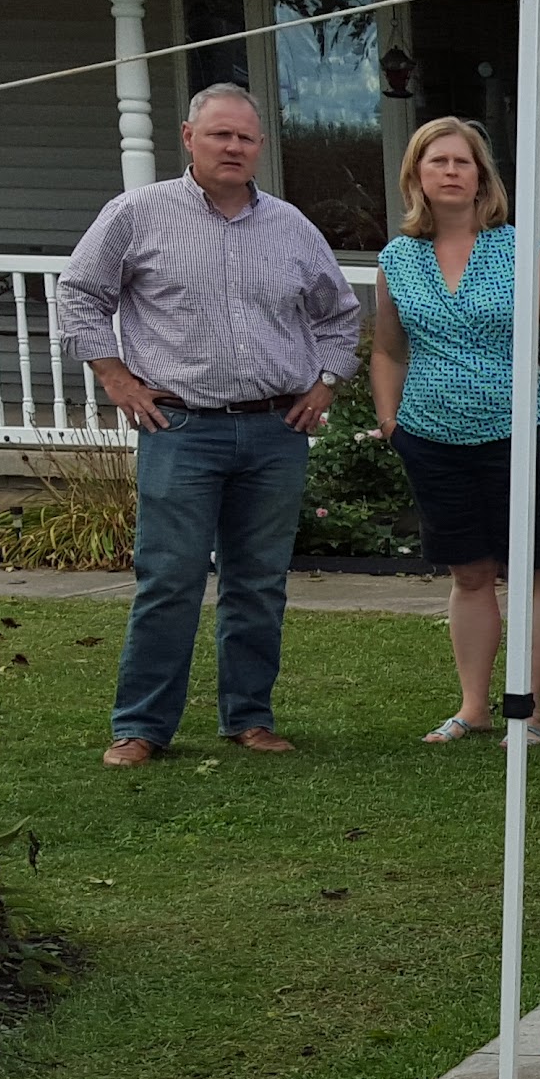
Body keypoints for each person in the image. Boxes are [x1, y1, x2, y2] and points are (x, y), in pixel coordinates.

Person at [62, 81, 363, 766]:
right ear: (189, 138)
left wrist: (325, 384)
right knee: (169, 578)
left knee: (259, 580)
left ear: (259, 148)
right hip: (181, 428)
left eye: (245, 137)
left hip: (274, 431)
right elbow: (80, 293)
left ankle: (250, 718)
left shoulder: (290, 227)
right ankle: (141, 727)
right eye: (220, 134)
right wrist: (114, 377)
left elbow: (339, 314)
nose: (233, 147)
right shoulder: (138, 214)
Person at [367, 115, 540, 747]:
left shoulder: (522, 251)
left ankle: (530, 711)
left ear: (483, 176)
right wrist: (390, 420)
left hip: (520, 438)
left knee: (530, 573)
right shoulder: (397, 259)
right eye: (439, 162)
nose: (452, 172)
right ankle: (474, 708)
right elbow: (387, 349)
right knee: (468, 575)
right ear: (417, 176)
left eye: (464, 162)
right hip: (431, 439)